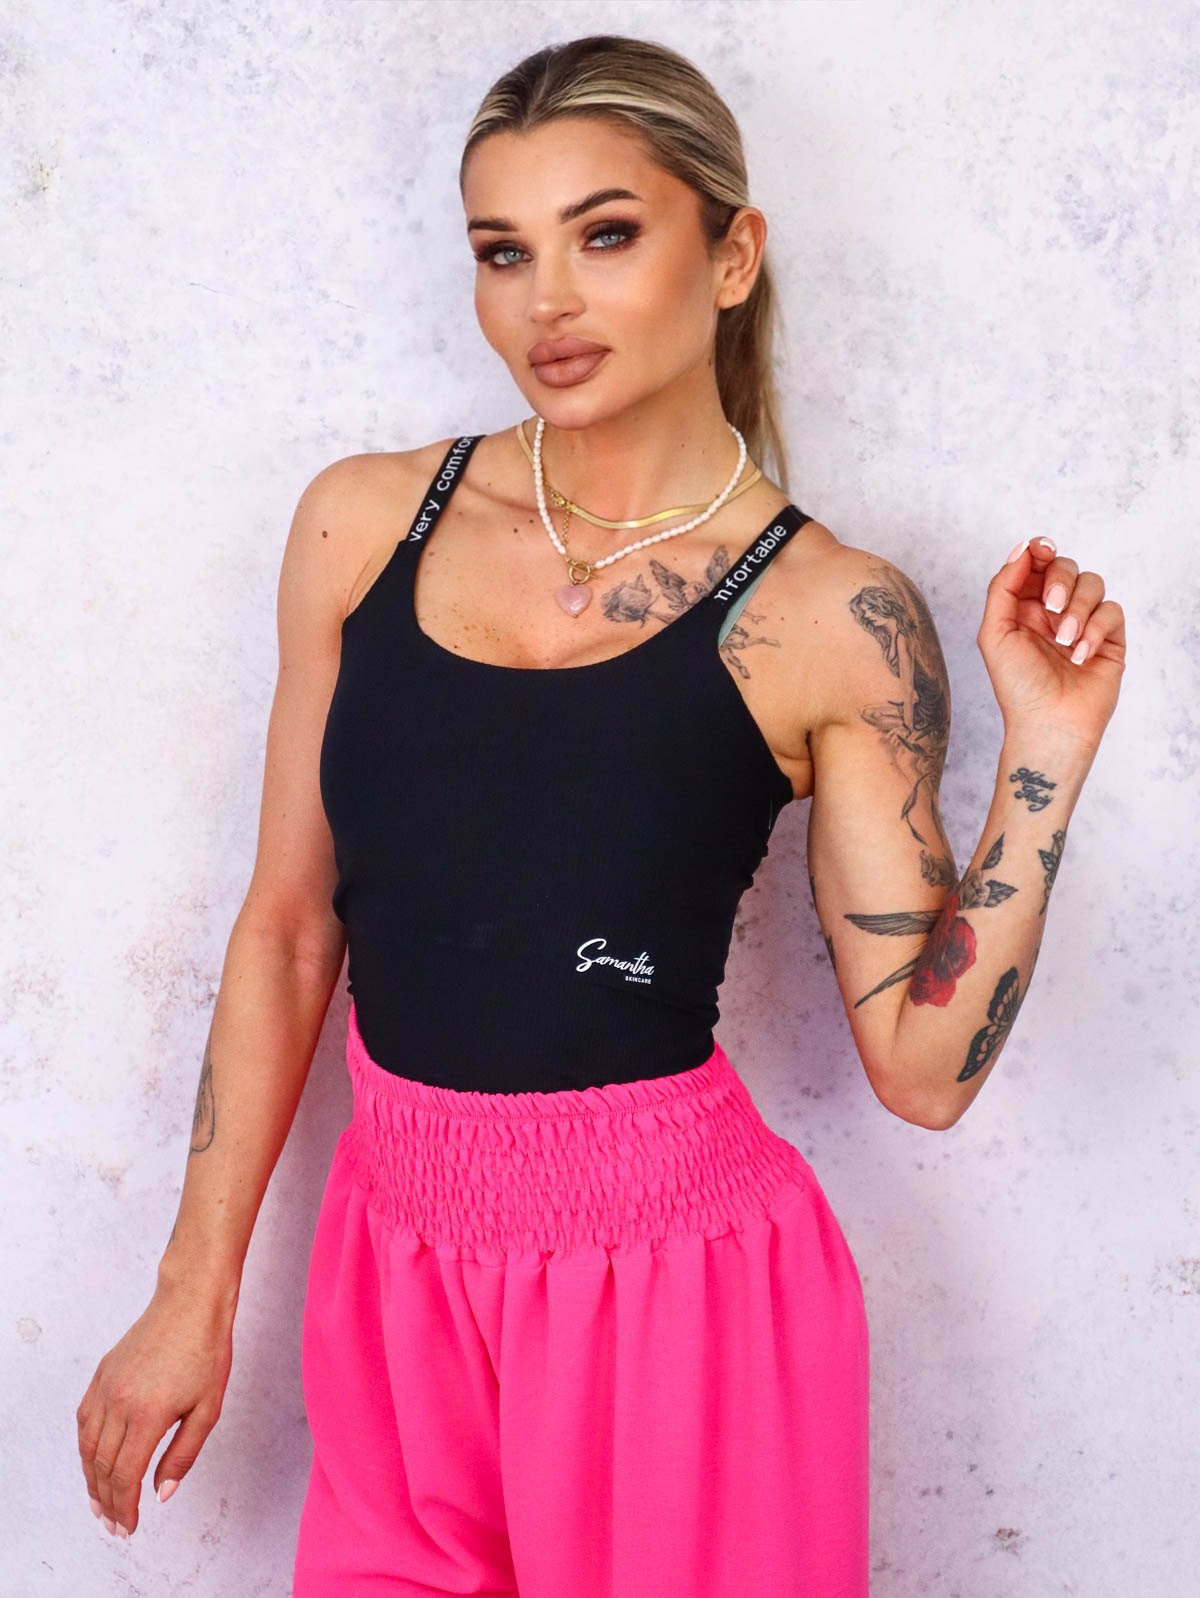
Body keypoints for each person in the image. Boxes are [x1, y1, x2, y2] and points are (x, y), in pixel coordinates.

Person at [75, 33, 1126, 1598]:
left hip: (677, 1301)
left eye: (606, 233)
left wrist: (1046, 751)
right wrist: (192, 1286)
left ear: (733, 256)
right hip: (396, 1264)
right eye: (503, 251)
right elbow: (289, 931)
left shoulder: (828, 615)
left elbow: (921, 1068)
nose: (546, 301)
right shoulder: (363, 525)